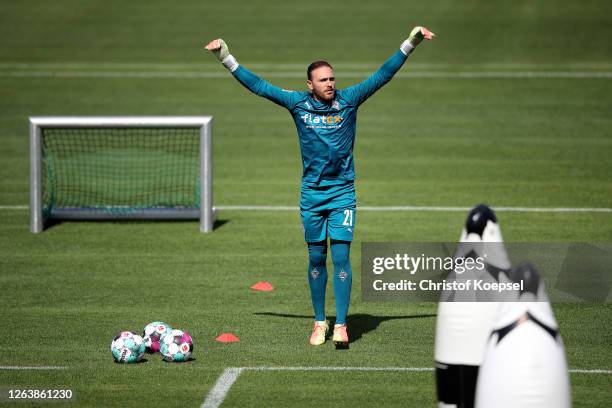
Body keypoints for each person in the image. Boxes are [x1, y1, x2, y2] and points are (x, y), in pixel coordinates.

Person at [204, 27, 435, 347]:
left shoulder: (349, 100)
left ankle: (341, 324)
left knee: (341, 257)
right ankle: (318, 323)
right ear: (309, 84)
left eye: (332, 78)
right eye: (323, 80)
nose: (330, 84)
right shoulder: (297, 104)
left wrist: (411, 43)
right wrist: (225, 58)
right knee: (316, 259)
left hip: (342, 193)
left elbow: (382, 75)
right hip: (312, 195)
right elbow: (259, 86)